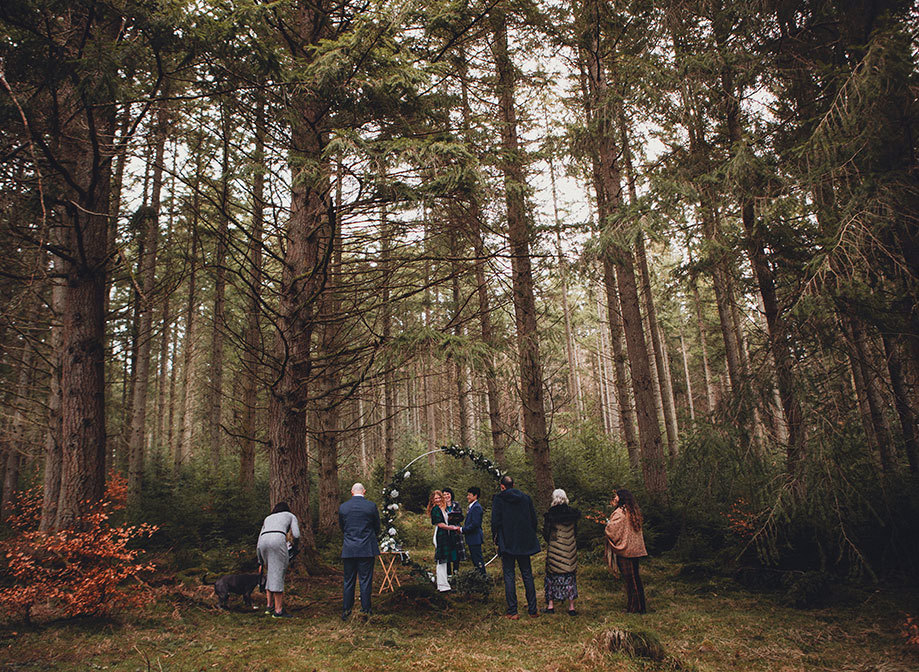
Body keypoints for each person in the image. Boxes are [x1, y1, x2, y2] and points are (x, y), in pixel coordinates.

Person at [491, 475, 541, 619]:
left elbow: (495, 521)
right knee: (527, 574)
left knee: (509, 575)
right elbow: (533, 519)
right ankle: (533, 610)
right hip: (524, 541)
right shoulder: (526, 498)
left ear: (502, 486)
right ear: (513, 484)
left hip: (507, 541)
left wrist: (495, 538)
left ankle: (513, 611)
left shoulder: (499, 499)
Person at [338, 482, 381, 620]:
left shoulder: (343, 507)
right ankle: (366, 609)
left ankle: (346, 610)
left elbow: (342, 527)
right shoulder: (371, 506)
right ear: (364, 491)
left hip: (349, 548)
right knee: (365, 580)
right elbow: (377, 526)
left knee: (348, 580)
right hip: (366, 548)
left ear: (352, 492)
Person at [604, 488, 648, 614]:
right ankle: (640, 606)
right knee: (636, 578)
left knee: (630, 580)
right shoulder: (632, 511)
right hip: (635, 549)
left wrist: (607, 526)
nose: (615, 499)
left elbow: (612, 530)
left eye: (616, 496)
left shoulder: (620, 512)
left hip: (626, 551)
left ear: (621, 498)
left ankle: (635, 609)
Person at [256, 501, 300, 618]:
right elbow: (296, 534)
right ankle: (278, 610)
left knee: (271, 573)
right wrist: (295, 546)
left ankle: (269, 606)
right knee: (278, 574)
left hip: (263, 542)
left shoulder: (268, 518)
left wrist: (260, 559)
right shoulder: (290, 516)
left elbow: (259, 542)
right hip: (277, 540)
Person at [543, 488, 581, 616]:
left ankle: (550, 605)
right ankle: (571, 607)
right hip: (569, 549)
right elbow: (575, 532)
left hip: (555, 549)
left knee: (551, 576)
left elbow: (546, 534)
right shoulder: (572, 515)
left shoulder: (551, 515)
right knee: (569, 576)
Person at [428, 490, 461, 592]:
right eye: (435, 498)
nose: (437, 500)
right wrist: (452, 528)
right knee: (441, 560)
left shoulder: (442, 508)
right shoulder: (435, 510)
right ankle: (442, 586)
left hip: (445, 534)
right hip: (440, 534)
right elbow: (440, 524)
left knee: (444, 560)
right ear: (432, 500)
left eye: (439, 498)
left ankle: (444, 584)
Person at [461, 486, 486, 576]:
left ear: (475, 496)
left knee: (478, 560)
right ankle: (479, 578)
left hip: (475, 538)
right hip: (472, 538)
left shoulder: (476, 507)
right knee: (475, 560)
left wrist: (462, 530)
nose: (467, 497)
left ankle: (483, 578)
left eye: (469, 495)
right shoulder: (472, 507)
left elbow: (475, 524)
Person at [443, 488, 466, 575]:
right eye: (444, 495)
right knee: (447, 551)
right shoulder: (441, 506)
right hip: (446, 530)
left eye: (448, 494)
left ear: (451, 494)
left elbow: (460, 516)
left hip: (456, 530)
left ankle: (456, 570)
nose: (446, 496)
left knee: (456, 550)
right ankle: (448, 573)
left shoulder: (456, 504)